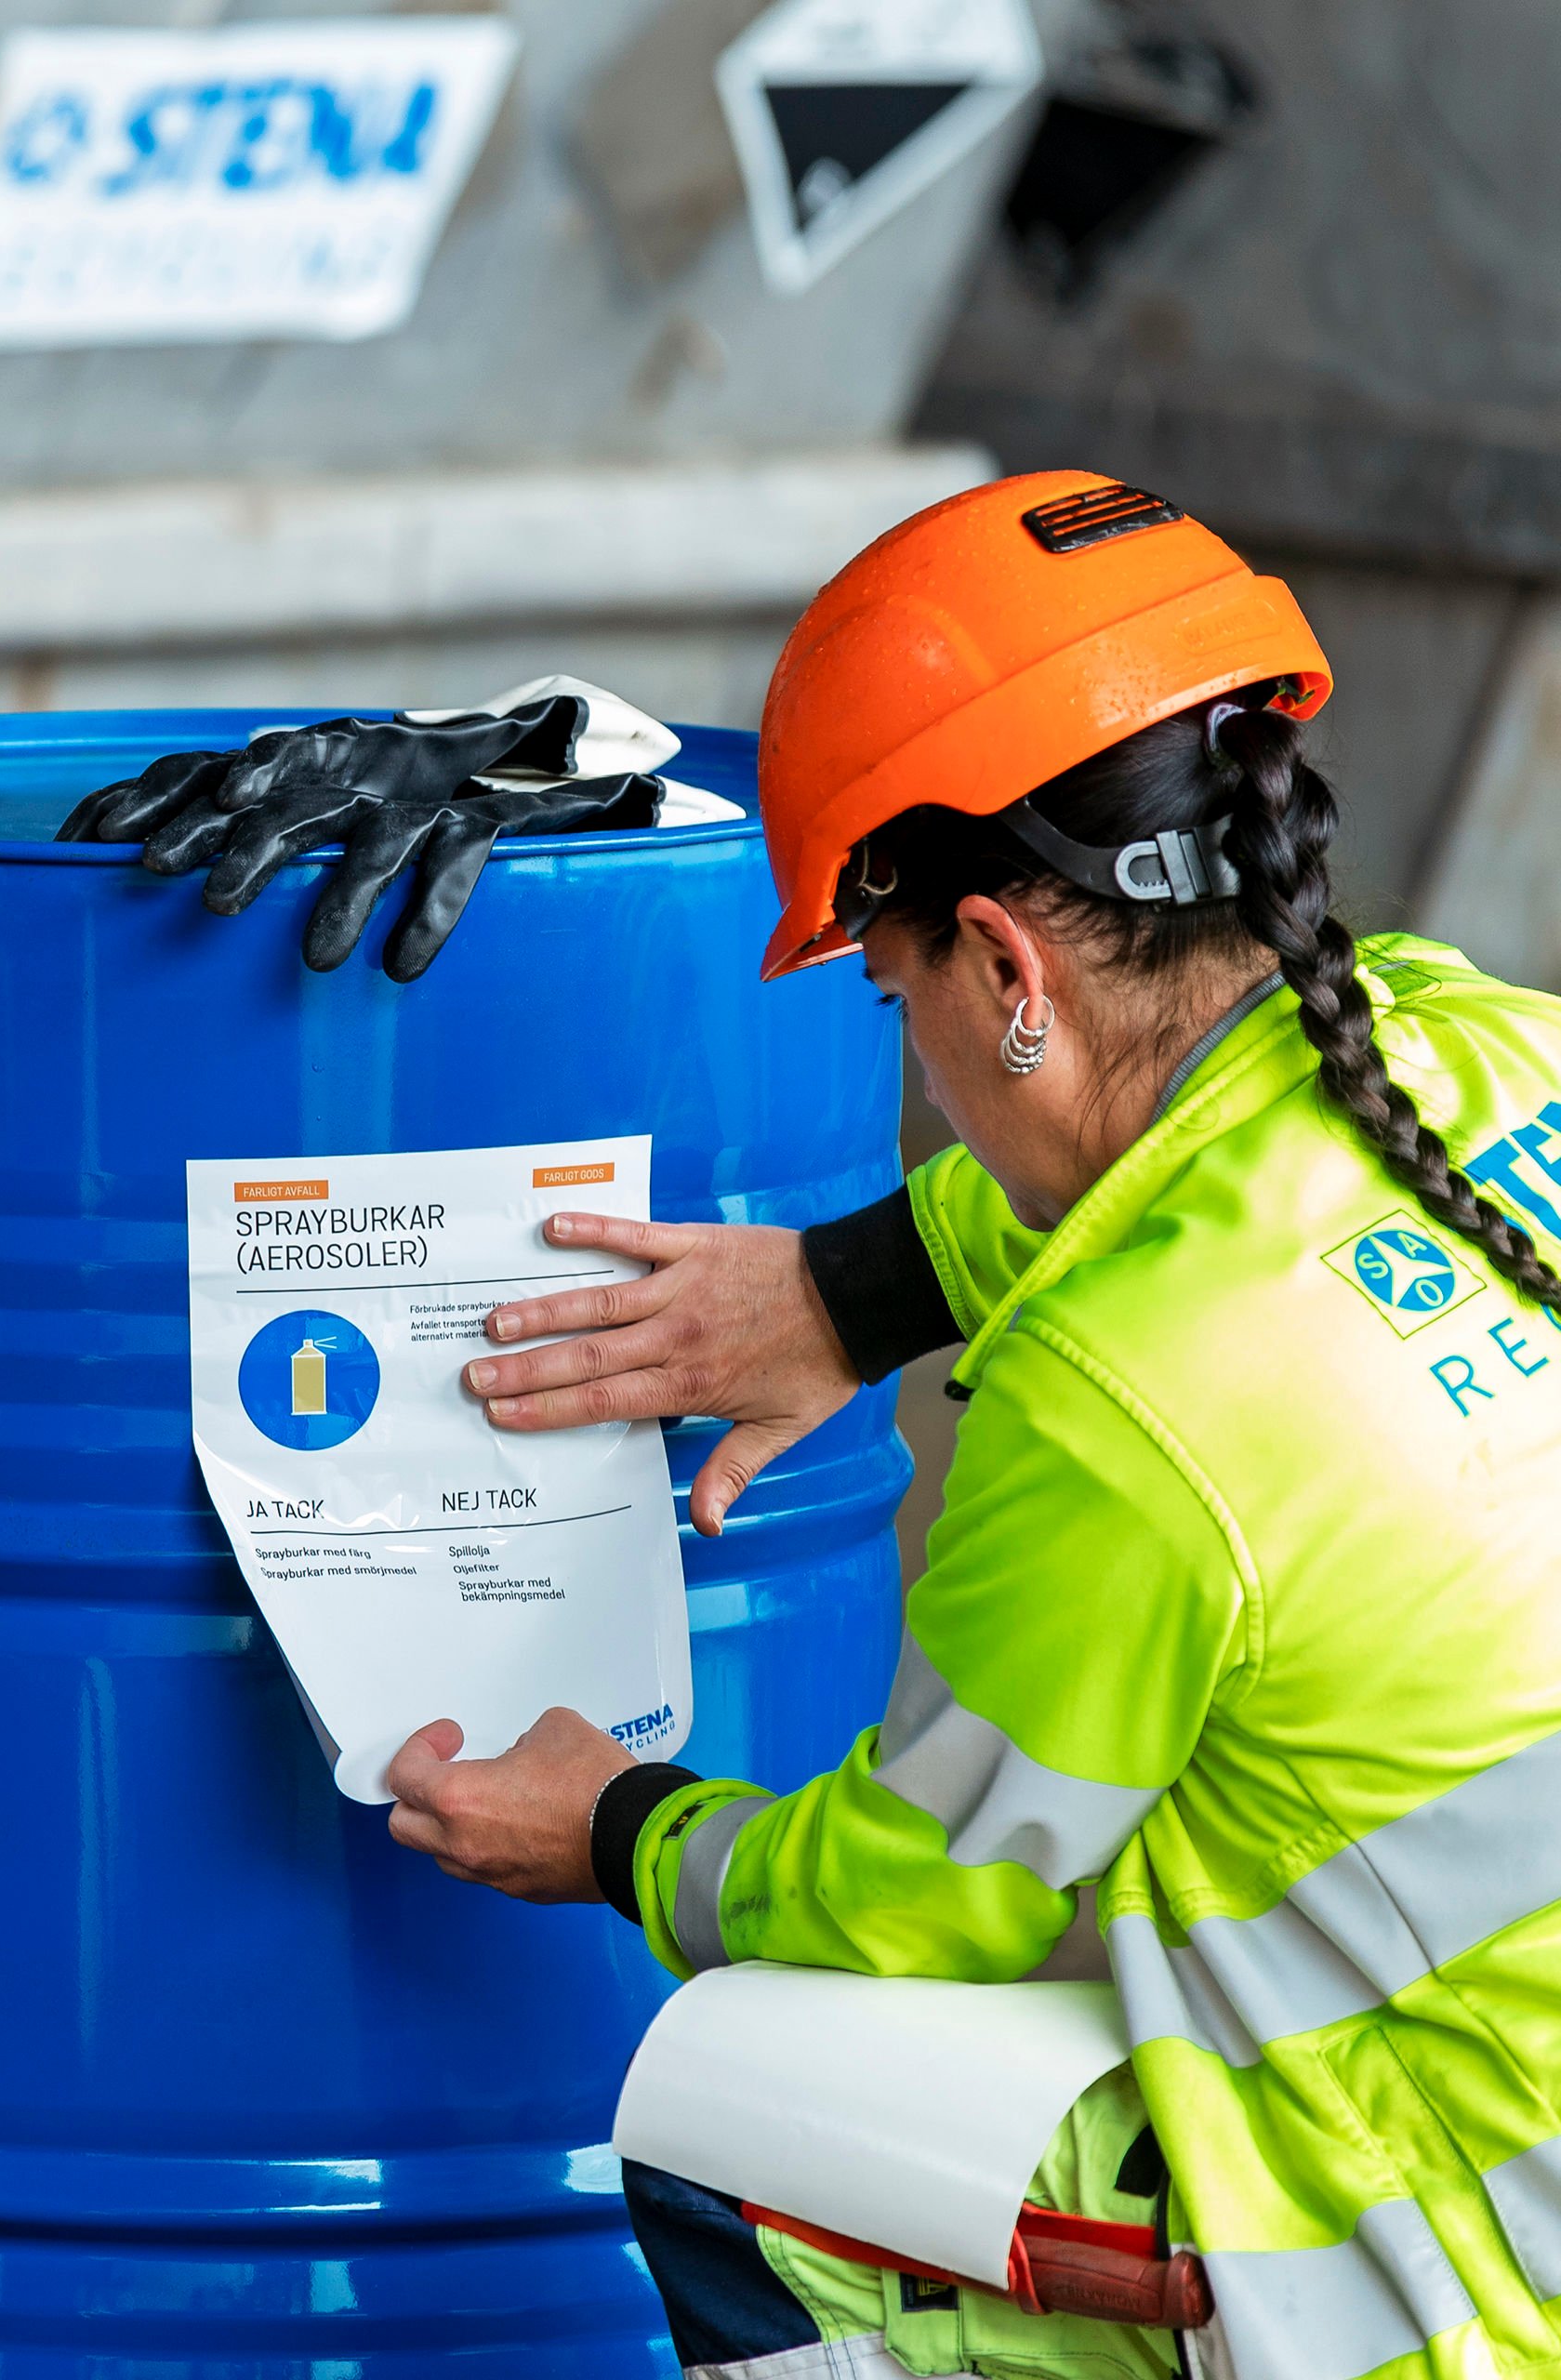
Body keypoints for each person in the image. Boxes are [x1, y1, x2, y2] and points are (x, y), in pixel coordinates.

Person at [376, 476, 1561, 2380]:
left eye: (894, 983)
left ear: (1006, 972)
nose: (909, 1053)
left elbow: (912, 1904)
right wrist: (843, 1292)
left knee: (739, 2093)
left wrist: (607, 1824)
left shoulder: (1118, 1411)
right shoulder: (1485, 1047)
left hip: (1471, 2262)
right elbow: (1220, 1216)